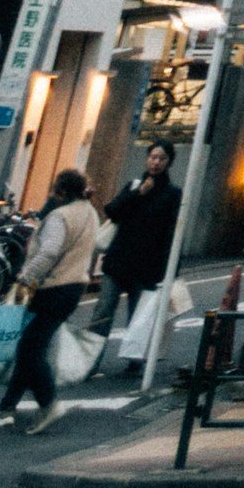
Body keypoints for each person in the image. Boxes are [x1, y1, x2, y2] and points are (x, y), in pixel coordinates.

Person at [0, 168, 104, 433]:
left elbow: (49, 251)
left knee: (30, 349)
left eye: (55, 191)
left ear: (61, 192)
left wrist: (26, 277)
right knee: (31, 346)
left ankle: (49, 403)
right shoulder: (89, 213)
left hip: (51, 288)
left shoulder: (60, 216)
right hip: (74, 287)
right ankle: (7, 405)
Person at [95, 142, 180, 362]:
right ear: (147, 159)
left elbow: (171, 233)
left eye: (161, 158)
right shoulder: (133, 186)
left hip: (146, 265)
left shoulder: (172, 194)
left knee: (139, 316)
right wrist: (137, 194)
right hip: (118, 261)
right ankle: (90, 360)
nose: (156, 162)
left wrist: (169, 269)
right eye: (152, 157)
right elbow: (112, 211)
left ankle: (134, 360)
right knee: (102, 312)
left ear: (169, 162)